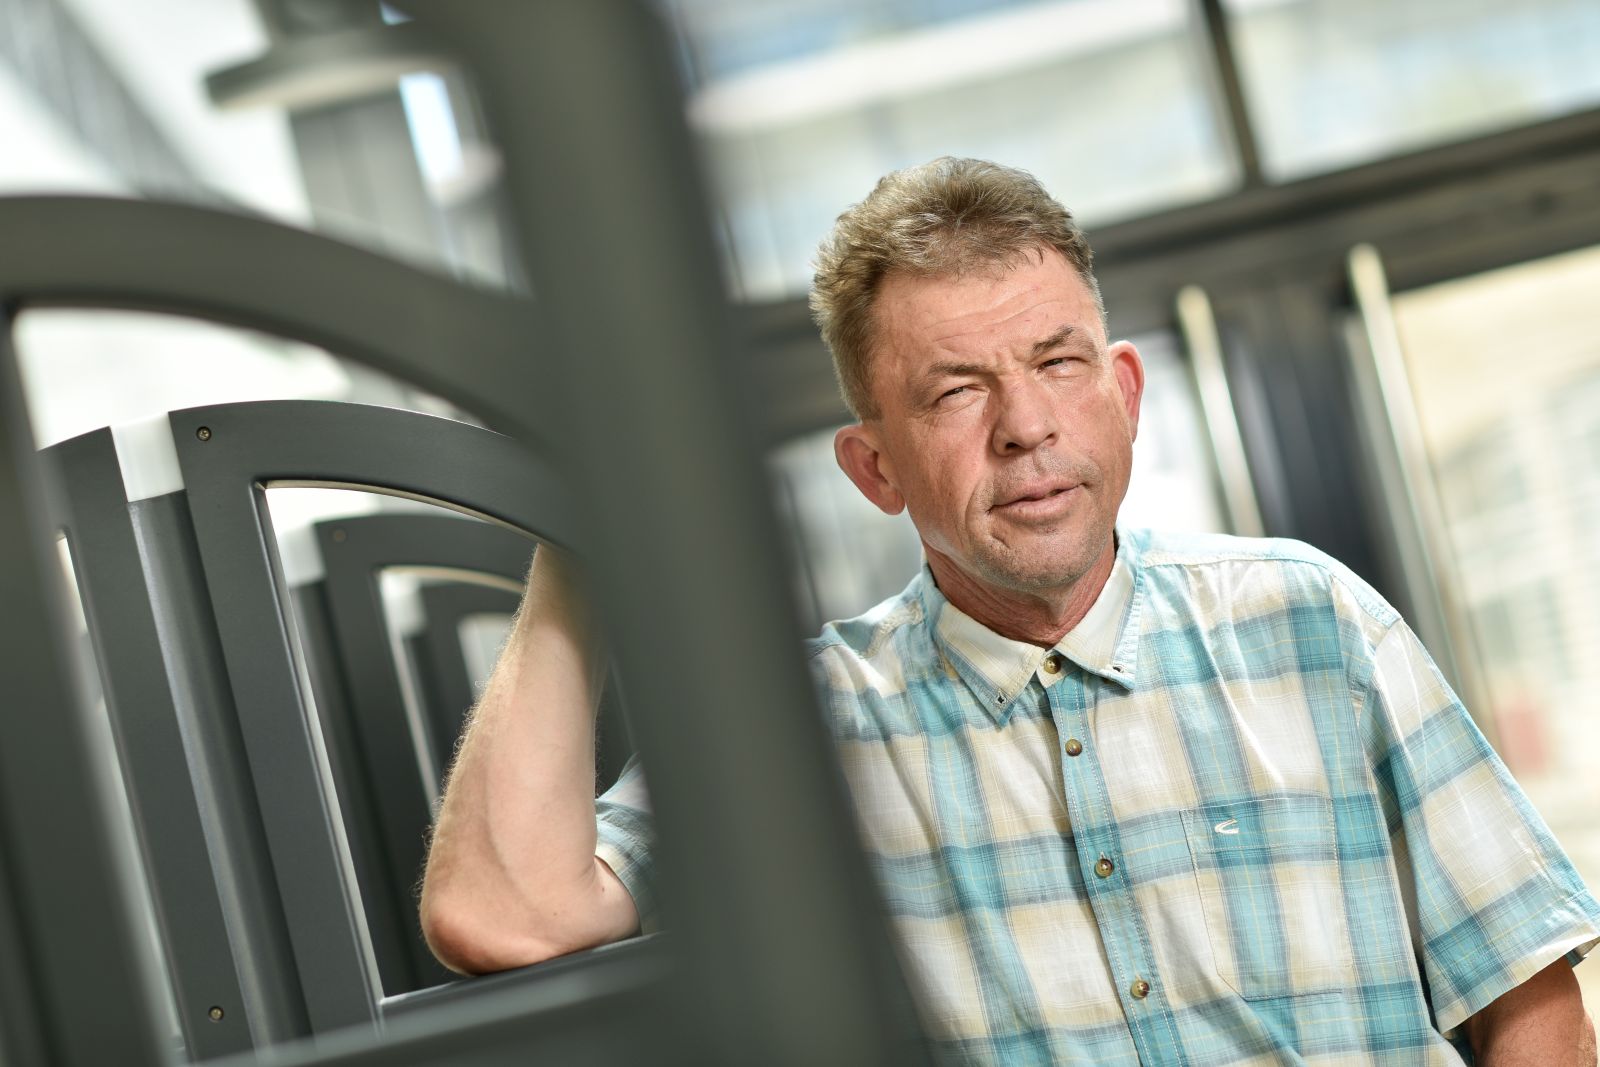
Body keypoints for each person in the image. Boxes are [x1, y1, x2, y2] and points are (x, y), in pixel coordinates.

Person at [419, 157, 1600, 1065]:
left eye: (1056, 362)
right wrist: (580, 547)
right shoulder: (799, 726)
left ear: (1124, 393)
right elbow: (501, 913)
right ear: (872, 467)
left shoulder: (1314, 620)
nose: (1026, 425)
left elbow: (1530, 1010)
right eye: (955, 388)